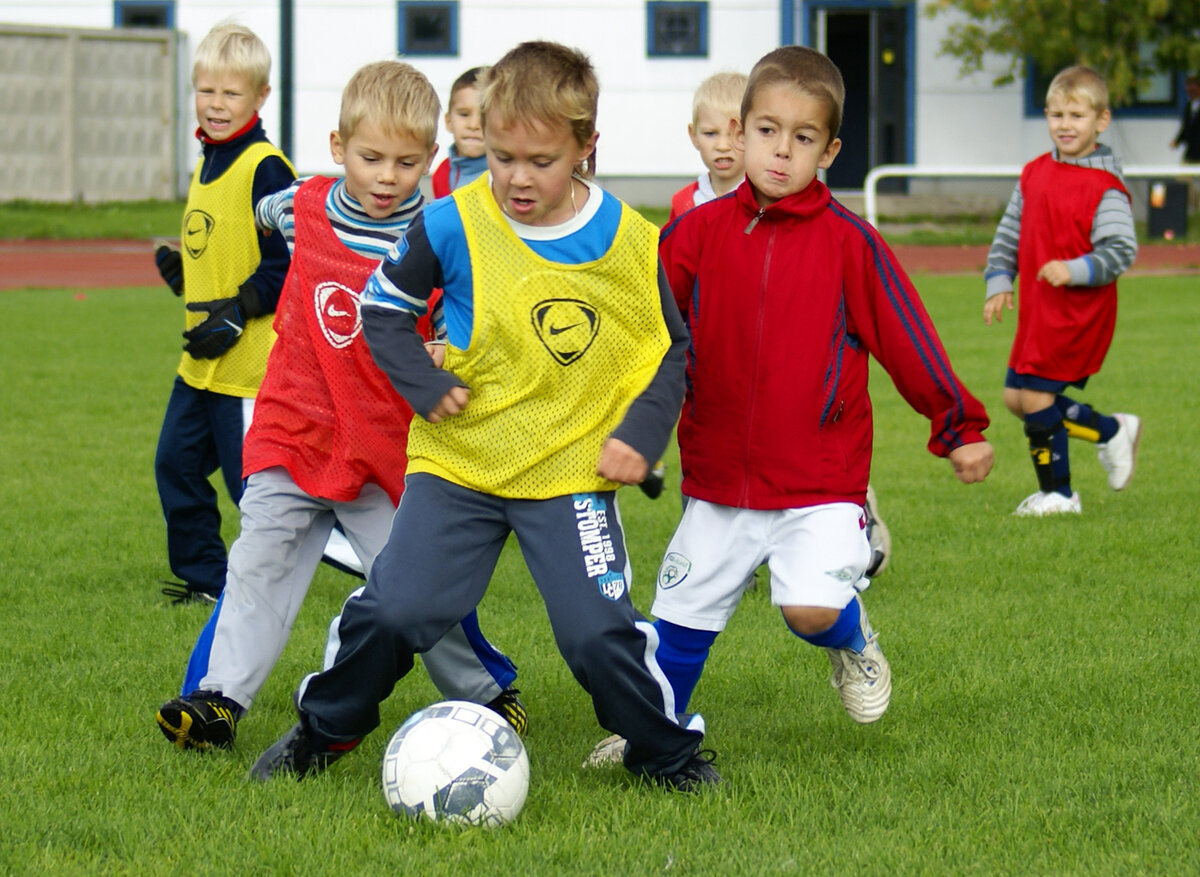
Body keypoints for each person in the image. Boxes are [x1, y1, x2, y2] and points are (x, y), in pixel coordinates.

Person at [249, 40, 720, 792]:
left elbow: (671, 352)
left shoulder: (631, 242)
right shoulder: (451, 223)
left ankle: (667, 753)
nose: (517, 178)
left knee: (598, 634)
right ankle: (326, 730)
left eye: (540, 160)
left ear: (585, 148)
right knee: (398, 607)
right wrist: (422, 385)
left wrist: (639, 434)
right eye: (501, 157)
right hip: (460, 464)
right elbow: (383, 308)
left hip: (567, 469)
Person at [589, 46, 992, 766]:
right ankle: (651, 731)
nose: (781, 151)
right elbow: (642, 336)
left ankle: (853, 638)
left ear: (829, 149)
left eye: (802, 138)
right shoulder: (692, 237)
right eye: (766, 131)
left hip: (819, 479)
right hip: (718, 479)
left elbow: (910, 337)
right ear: (738, 132)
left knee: (808, 609)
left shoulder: (850, 244)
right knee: (680, 623)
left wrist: (957, 423)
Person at [156, 60, 524, 753]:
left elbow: (465, 316)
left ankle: (484, 691)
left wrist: (446, 345)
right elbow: (264, 214)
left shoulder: (442, 234)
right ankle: (216, 700)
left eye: (407, 162)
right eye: (370, 157)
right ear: (336, 147)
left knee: (410, 586)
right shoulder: (300, 206)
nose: (387, 176)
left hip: (386, 444)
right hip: (293, 429)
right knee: (258, 561)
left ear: (430, 158)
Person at [151, 21, 295, 605]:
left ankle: (367, 562)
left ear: (260, 98)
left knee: (253, 491)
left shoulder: (265, 167)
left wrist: (237, 311)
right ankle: (209, 582)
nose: (215, 104)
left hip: (247, 368)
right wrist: (187, 276)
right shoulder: (205, 163)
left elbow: (288, 262)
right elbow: (226, 250)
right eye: (206, 91)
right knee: (175, 465)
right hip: (200, 365)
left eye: (231, 94)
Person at [984, 65, 1140, 517]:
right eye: (1056, 115)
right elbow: (1009, 233)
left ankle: (1059, 494)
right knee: (1018, 400)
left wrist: (1075, 270)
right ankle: (1111, 431)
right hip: (1039, 310)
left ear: (1101, 121)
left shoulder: (1106, 188)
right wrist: (999, 280)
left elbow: (1120, 250)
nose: (1065, 125)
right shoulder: (1034, 173)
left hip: (1077, 312)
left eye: (1076, 115)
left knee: (1035, 399)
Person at [666, 71, 747, 225]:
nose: (723, 146)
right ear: (694, 135)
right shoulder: (683, 204)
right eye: (710, 133)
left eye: (737, 134)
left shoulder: (765, 203)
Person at [430, 66, 488, 198]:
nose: (474, 125)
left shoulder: (505, 179)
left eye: (484, 117)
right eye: (464, 114)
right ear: (448, 121)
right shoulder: (442, 174)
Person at [1171, 74, 1200, 210]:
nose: (1188, 89)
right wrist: (1177, 141)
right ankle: (1197, 206)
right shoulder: (1189, 106)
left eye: (1191, 86)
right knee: (1182, 179)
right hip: (1192, 152)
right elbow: (1186, 127)